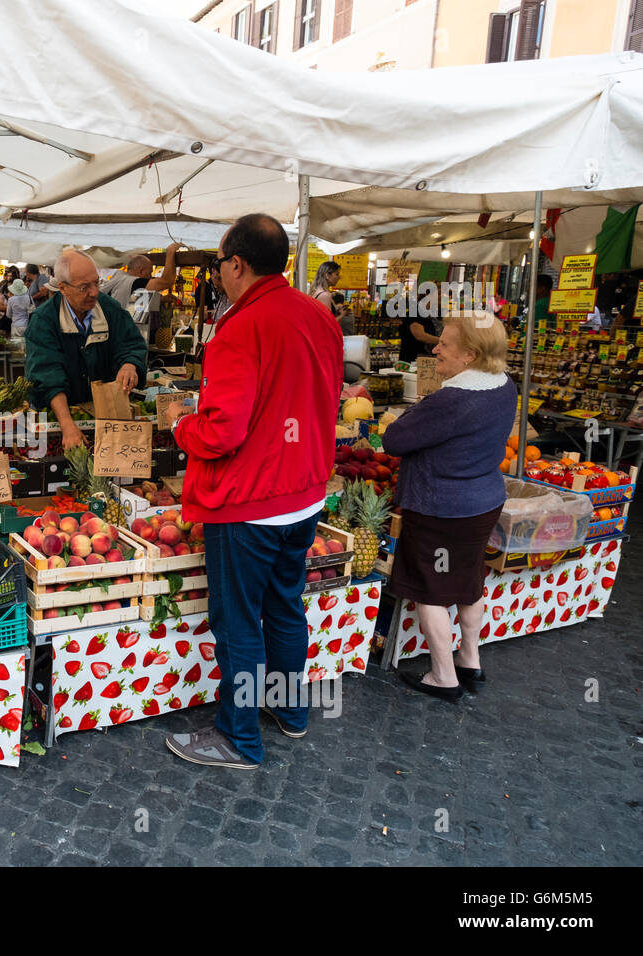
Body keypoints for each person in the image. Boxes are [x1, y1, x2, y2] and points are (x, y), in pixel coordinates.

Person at [161, 213, 342, 771]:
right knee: (284, 605)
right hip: (305, 494)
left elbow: (222, 431)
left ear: (235, 264)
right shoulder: (319, 315)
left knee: (238, 619)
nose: (217, 273)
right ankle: (290, 711)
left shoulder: (239, 328)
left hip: (249, 501)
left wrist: (179, 424)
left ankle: (239, 737)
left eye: (218, 263)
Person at [382, 315, 517, 701]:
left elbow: (394, 440)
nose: (435, 349)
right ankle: (470, 662)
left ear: (470, 355)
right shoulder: (505, 385)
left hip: (442, 509)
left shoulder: (451, 400)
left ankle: (443, 676)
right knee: (469, 581)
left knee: (431, 589)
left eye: (444, 344)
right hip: (484, 501)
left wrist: (409, 414)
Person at [25, 250, 147, 450]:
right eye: (84, 287)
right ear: (63, 288)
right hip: (61, 418)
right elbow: (47, 375)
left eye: (96, 283)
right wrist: (67, 424)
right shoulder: (44, 321)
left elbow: (131, 343)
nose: (94, 292)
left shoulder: (110, 310)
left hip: (108, 417)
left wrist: (130, 364)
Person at [100, 243, 185, 345]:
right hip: (119, 340)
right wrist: (170, 253)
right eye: (149, 273)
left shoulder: (119, 277)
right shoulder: (135, 281)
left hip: (106, 335)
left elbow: (134, 298)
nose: (150, 276)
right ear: (141, 271)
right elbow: (166, 281)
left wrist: (161, 299)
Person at [398, 287, 441, 363]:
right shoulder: (414, 312)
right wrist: (443, 341)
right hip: (412, 360)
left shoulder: (434, 314)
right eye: (439, 294)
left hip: (428, 360)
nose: (441, 297)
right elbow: (420, 336)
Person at [309, 260, 347, 325]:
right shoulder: (324, 295)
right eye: (336, 274)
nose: (339, 277)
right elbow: (328, 324)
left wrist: (336, 308)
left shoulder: (316, 291)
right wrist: (342, 315)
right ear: (327, 275)